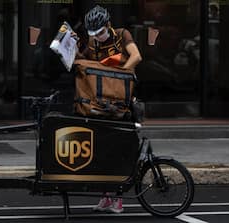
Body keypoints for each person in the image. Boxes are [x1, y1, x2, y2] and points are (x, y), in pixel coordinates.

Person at [77, 5, 142, 213]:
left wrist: (119, 74)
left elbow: (136, 56)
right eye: (93, 34)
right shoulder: (93, 41)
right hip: (100, 103)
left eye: (101, 33)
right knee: (99, 151)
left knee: (118, 150)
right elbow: (85, 61)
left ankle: (118, 199)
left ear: (108, 25)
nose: (98, 37)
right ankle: (105, 197)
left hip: (121, 103)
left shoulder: (123, 35)